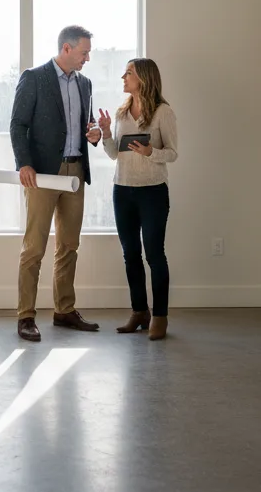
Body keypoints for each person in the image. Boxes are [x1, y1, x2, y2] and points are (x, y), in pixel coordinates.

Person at [9, 25, 102, 342]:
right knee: (34, 247)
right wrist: (23, 163)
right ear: (66, 49)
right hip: (42, 174)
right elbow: (18, 124)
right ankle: (26, 316)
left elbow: (82, 125)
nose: (87, 58)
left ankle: (64, 310)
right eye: (83, 52)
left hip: (75, 172)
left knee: (69, 245)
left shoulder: (85, 84)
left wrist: (94, 134)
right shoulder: (34, 78)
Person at [98, 58, 178, 341]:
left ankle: (160, 316)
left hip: (153, 192)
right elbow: (113, 154)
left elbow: (172, 152)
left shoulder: (163, 113)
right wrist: (106, 133)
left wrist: (150, 153)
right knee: (130, 254)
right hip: (123, 190)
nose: (123, 77)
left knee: (154, 255)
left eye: (129, 73)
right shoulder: (121, 113)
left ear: (143, 78)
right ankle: (139, 311)